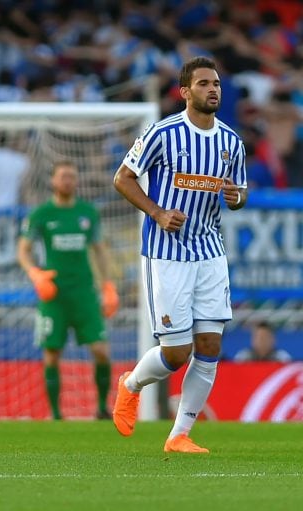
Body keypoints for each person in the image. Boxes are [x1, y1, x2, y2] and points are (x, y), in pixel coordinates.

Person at [112, 56, 248, 453]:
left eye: (217, 84)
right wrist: (156, 211)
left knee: (209, 346)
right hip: (167, 253)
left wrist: (236, 197)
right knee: (177, 351)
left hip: (210, 251)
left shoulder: (231, 142)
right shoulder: (162, 133)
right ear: (186, 92)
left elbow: (239, 193)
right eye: (204, 83)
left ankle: (179, 436)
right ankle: (131, 384)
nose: (213, 89)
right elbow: (123, 178)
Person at [17, 160, 120, 421]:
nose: (68, 181)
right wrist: (35, 274)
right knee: (52, 353)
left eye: (72, 177)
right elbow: (23, 250)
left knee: (101, 350)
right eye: (63, 176)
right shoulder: (41, 214)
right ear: (53, 180)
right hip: (54, 293)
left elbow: (100, 251)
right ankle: (55, 414)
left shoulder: (87, 213)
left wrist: (108, 286)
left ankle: (101, 408)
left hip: (84, 292)